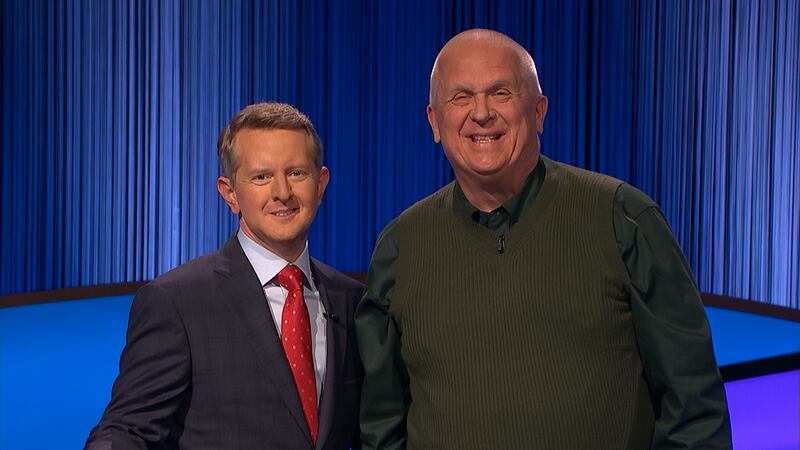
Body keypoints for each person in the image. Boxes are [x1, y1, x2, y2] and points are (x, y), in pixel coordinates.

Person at [355, 29, 731, 449]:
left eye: (500, 92)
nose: (481, 113)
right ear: (434, 122)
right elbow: (381, 429)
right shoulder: (400, 247)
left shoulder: (623, 218)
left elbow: (694, 409)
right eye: (460, 97)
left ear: (538, 111)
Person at [86, 102, 363, 449]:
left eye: (296, 173)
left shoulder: (351, 300)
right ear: (230, 193)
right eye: (261, 176)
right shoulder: (176, 302)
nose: (282, 192)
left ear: (320, 183)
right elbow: (127, 431)